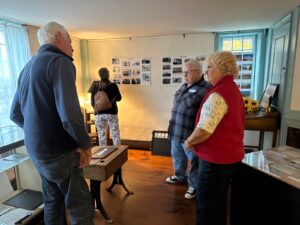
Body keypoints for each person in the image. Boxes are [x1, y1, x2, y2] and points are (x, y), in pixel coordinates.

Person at [10, 22, 95, 225]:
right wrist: (85, 145)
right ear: (58, 37)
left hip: (37, 152)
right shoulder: (61, 62)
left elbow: (15, 113)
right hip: (60, 154)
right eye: (70, 41)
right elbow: (70, 115)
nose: (73, 47)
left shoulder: (28, 66)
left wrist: (38, 133)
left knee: (53, 204)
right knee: (81, 206)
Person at [184, 51, 245, 225]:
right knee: (217, 203)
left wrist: (189, 142)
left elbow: (204, 129)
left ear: (221, 68)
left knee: (206, 206)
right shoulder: (232, 89)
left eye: (209, 67)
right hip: (229, 157)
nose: (206, 72)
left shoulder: (218, 95)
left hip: (215, 161)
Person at [166, 59, 211, 199]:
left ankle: (194, 186)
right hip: (176, 130)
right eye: (183, 72)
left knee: (195, 161)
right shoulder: (185, 85)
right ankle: (180, 176)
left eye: (188, 72)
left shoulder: (207, 88)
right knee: (177, 156)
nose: (184, 75)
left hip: (190, 134)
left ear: (199, 72)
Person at [91, 68, 122, 146]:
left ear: (99, 75)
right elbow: (119, 98)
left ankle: (103, 154)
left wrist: (97, 109)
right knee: (115, 134)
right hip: (112, 113)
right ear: (108, 74)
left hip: (99, 114)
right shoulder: (113, 85)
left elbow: (92, 102)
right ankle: (117, 154)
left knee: (101, 136)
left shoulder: (95, 86)